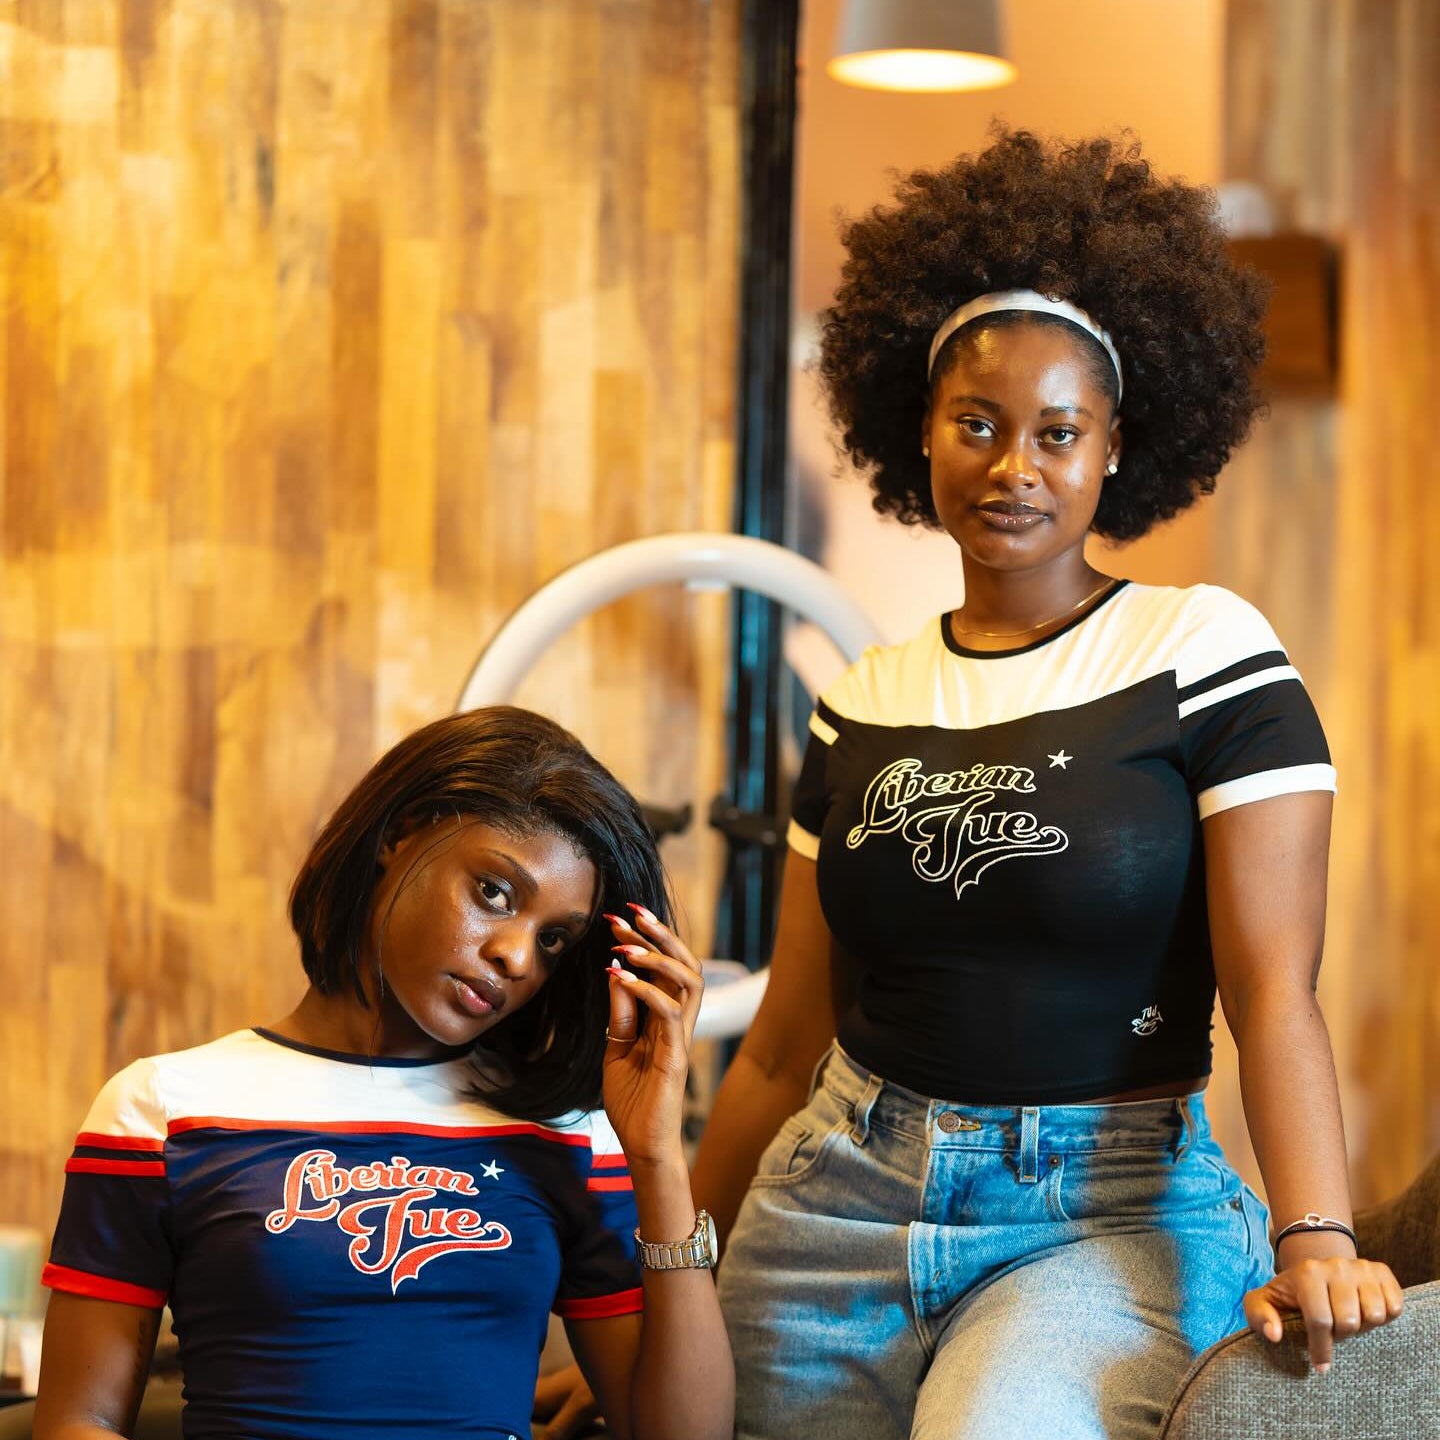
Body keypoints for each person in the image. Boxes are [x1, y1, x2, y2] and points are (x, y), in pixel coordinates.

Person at [688, 131, 1405, 1440]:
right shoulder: (863, 701)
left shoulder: (1201, 652)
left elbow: (1271, 987)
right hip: (835, 1205)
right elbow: (783, 1044)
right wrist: (650, 1309)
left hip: (1103, 1215)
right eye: (978, 424)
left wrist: (1316, 1234)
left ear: (1115, 445)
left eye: (1057, 432)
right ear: (919, 433)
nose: (1015, 465)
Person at [34, 705, 733, 1440]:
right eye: (495, 893)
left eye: (554, 940)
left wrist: (655, 1156)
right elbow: (78, 1421)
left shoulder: (567, 1135)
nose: (518, 958)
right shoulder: (163, 1110)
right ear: (401, 835)